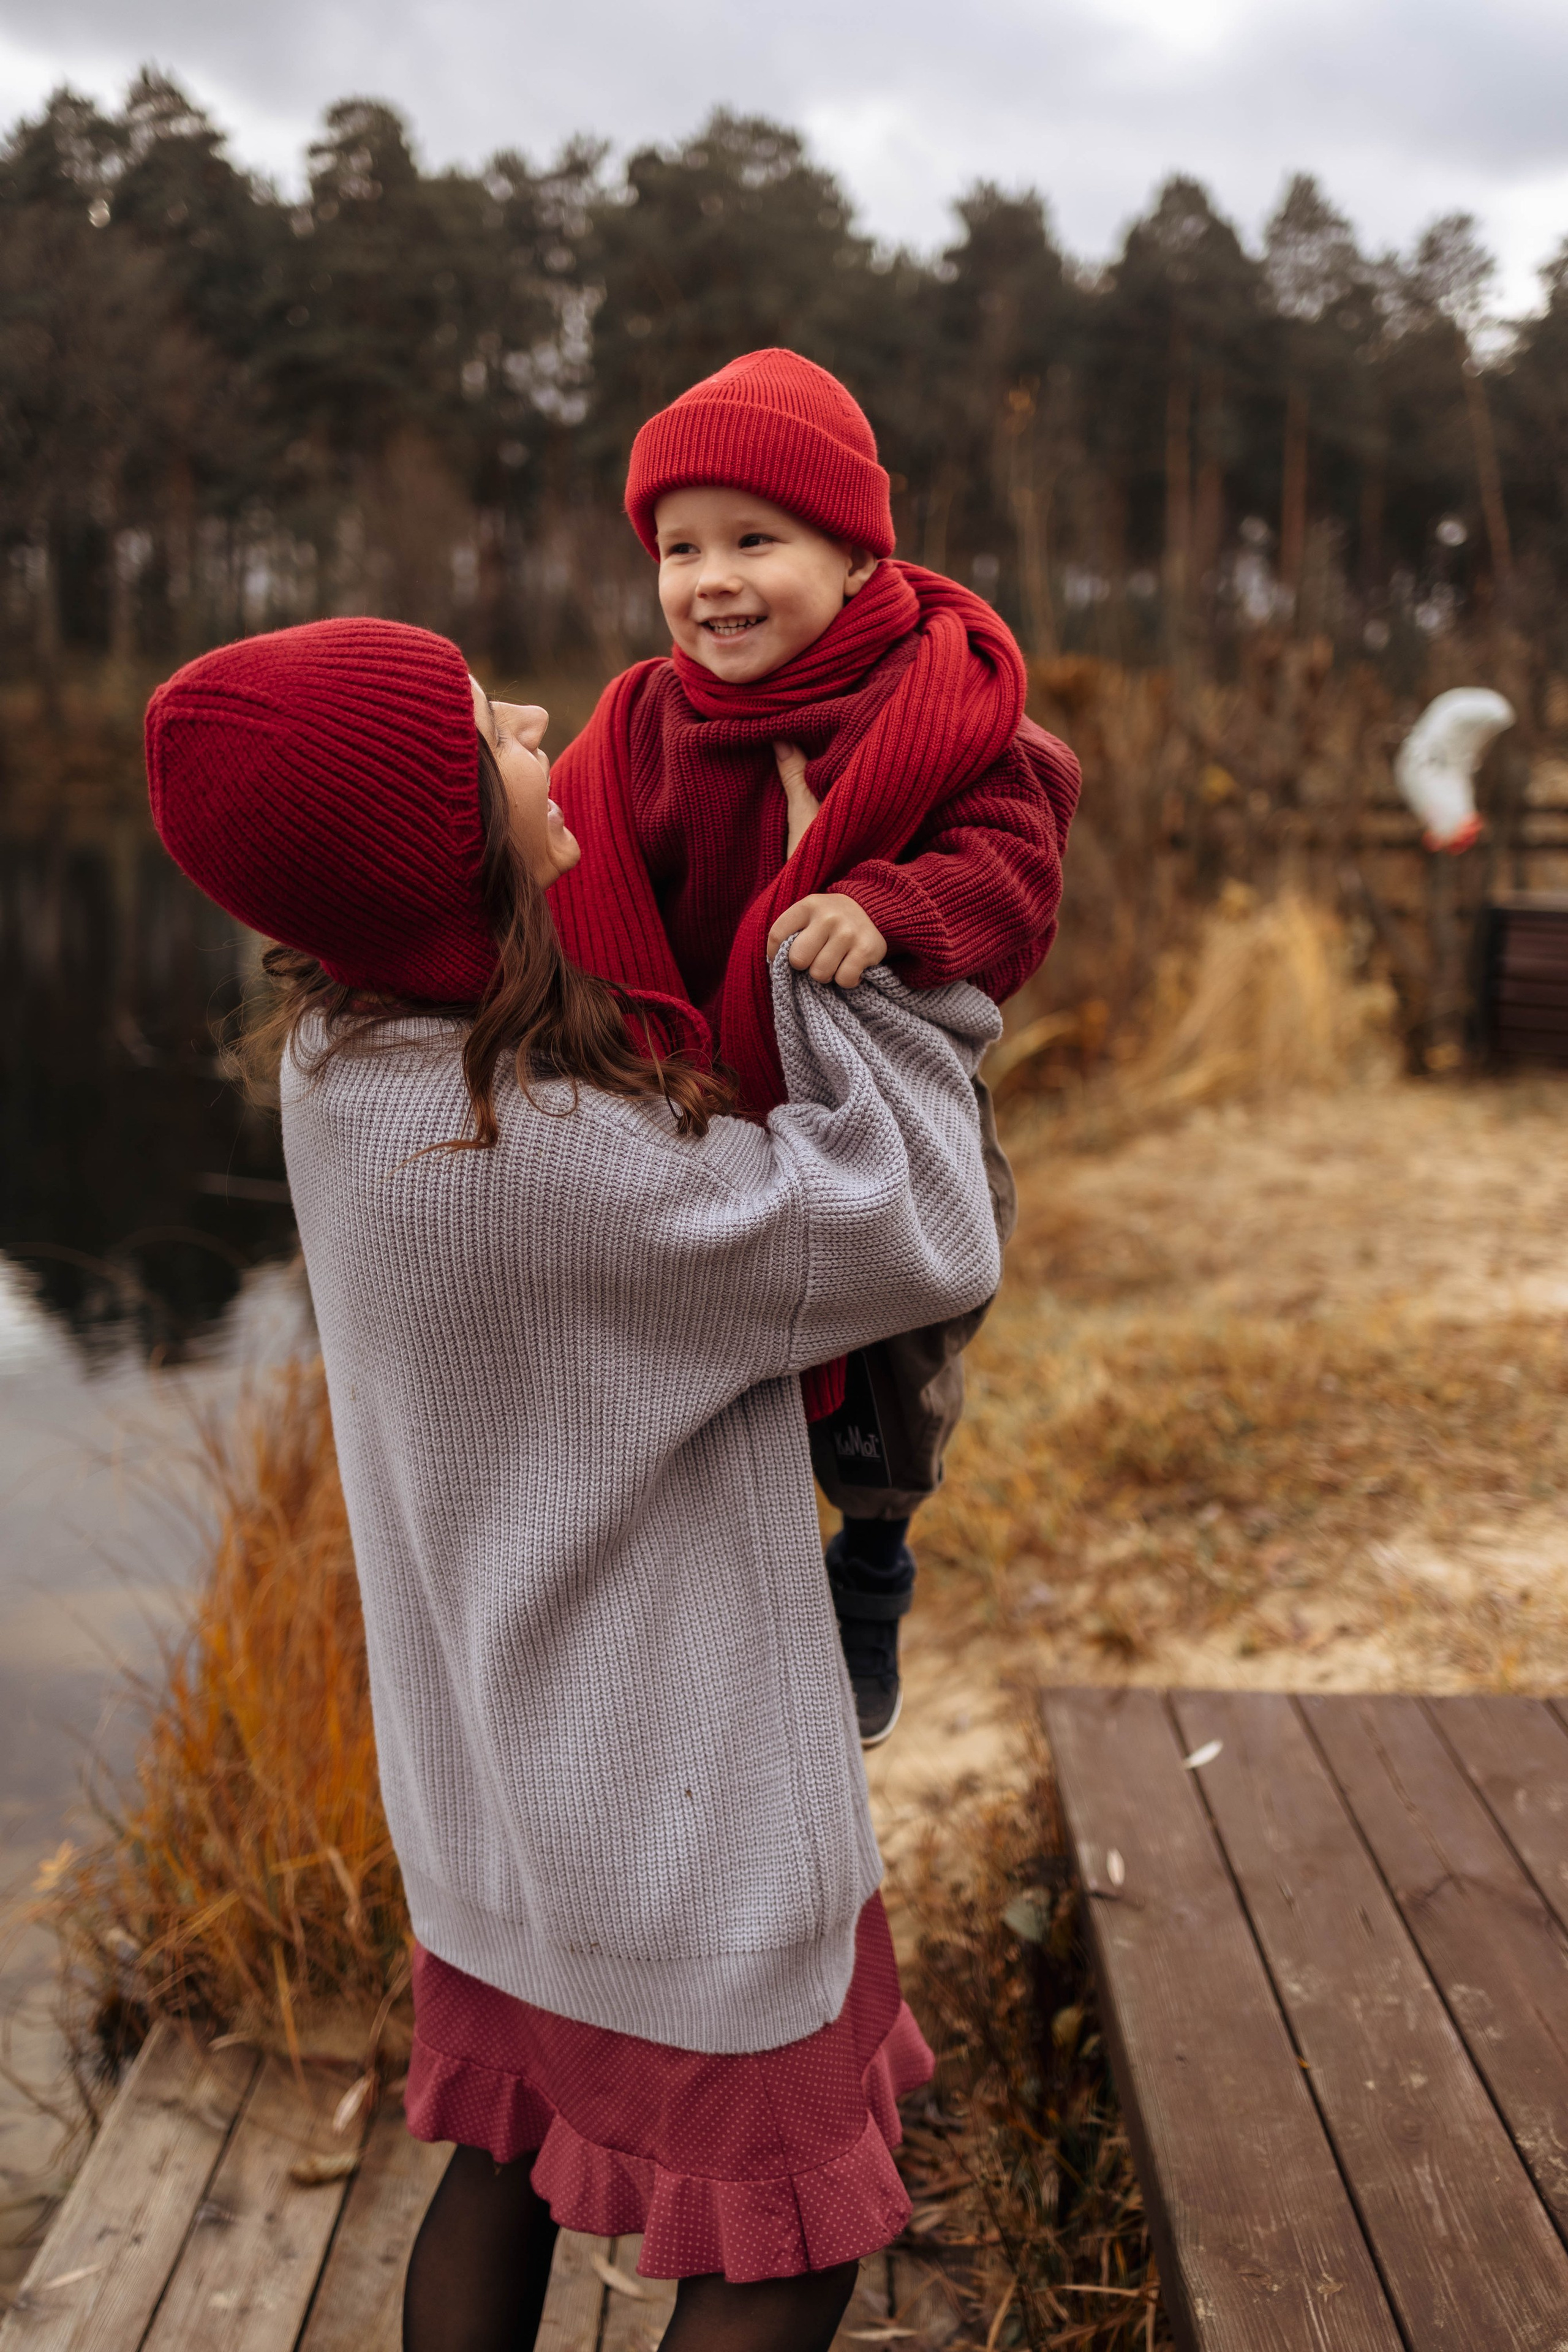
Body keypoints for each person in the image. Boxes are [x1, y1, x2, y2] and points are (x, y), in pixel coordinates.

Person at [143, 616, 1006, 2352]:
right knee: (785, 2248)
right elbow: (912, 1228)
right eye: (489, 723)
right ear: (438, 837)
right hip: (668, 1837)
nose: (538, 716)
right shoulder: (546, 1160)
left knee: (513, 2168)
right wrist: (865, 957)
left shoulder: (345, 1066)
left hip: (497, 1810)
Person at [548, 347, 1080, 1742]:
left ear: (853, 557)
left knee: (892, 1382)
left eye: (753, 541)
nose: (708, 579)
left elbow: (1014, 880)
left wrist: (880, 902)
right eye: (678, 548)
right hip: (709, 1114)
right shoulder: (646, 728)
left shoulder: (943, 706)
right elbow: (578, 882)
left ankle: (875, 1557)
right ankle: (731, 1594)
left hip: (886, 1126)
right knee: (726, 1383)